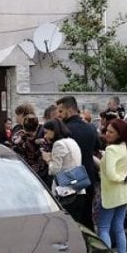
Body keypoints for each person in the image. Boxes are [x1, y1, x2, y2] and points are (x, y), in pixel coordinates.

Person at [56, 95, 101, 230]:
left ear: (69, 110)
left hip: (70, 180)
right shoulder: (91, 128)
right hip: (88, 177)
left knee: (70, 220)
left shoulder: (64, 131)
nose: (59, 115)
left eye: (60, 111)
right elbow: (97, 147)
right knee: (87, 218)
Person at [95, 118, 127, 253]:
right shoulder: (125, 146)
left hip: (111, 194)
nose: (107, 134)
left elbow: (111, 174)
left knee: (104, 228)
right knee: (118, 227)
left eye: (111, 131)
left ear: (119, 134)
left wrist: (120, 178)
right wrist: (123, 178)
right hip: (124, 194)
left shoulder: (111, 150)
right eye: (106, 131)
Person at [41, 118, 87, 224]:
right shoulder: (72, 141)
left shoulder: (59, 144)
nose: (45, 136)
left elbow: (54, 170)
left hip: (66, 193)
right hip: (79, 188)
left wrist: (47, 159)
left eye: (46, 132)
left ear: (53, 131)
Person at [11, 115, 47, 181]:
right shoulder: (42, 141)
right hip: (39, 174)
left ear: (24, 126)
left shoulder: (17, 139)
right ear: (37, 127)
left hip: (22, 171)